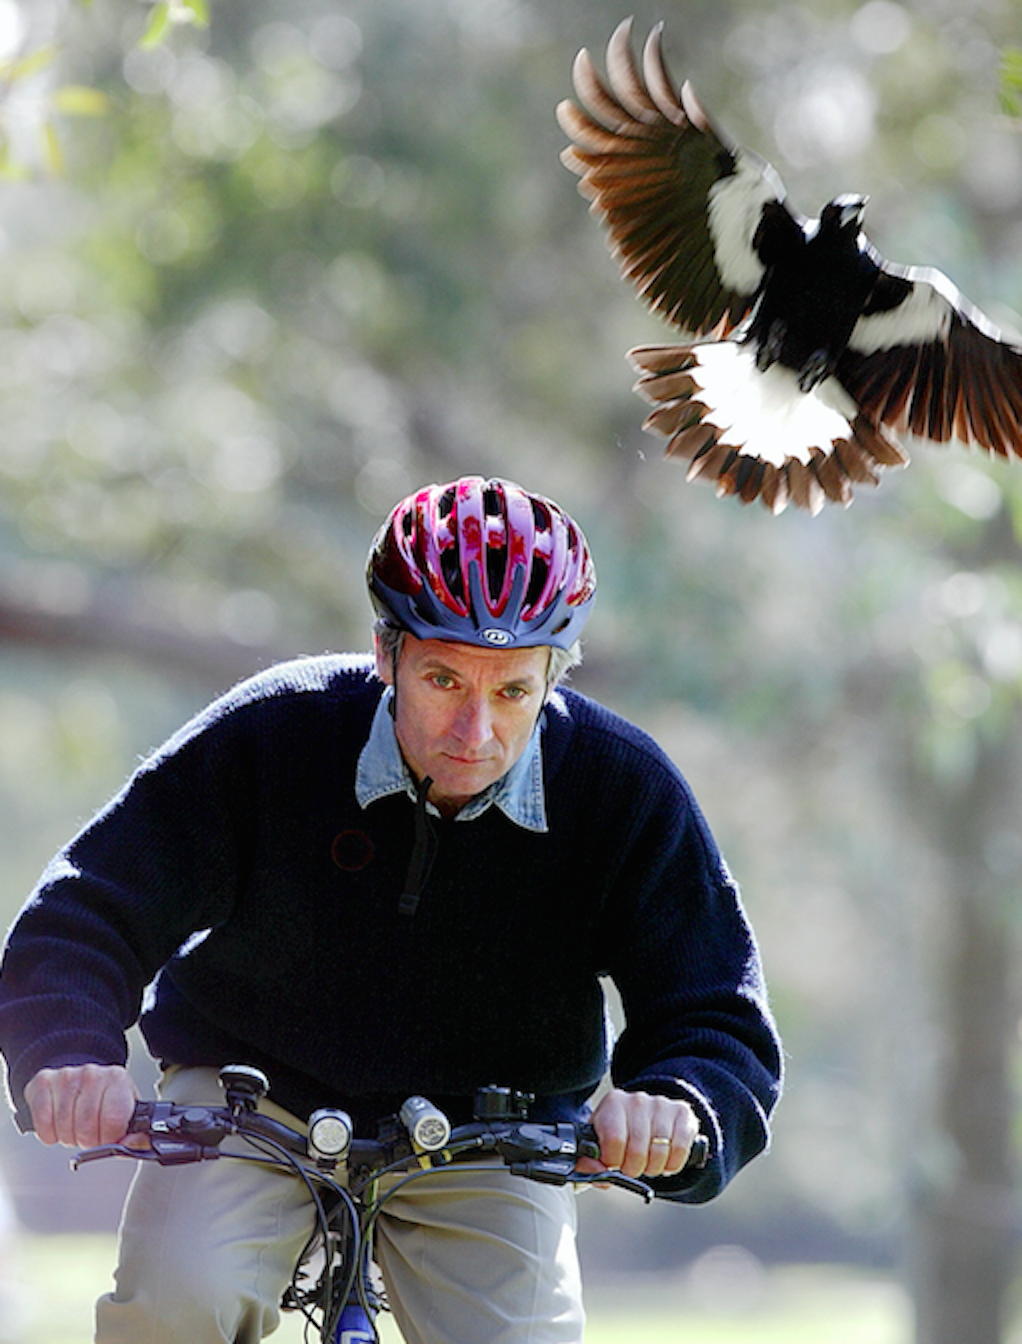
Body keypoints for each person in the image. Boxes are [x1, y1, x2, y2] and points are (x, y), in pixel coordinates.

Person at [0, 475, 782, 1344]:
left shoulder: (624, 791)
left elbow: (716, 1014)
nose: (475, 730)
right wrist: (69, 1049)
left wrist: (679, 1104)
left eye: (513, 692)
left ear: (553, 676)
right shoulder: (271, 735)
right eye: (444, 679)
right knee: (180, 1300)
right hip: (247, 1109)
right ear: (386, 653)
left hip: (494, 1136)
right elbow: (86, 914)